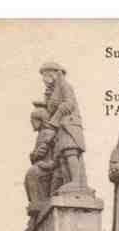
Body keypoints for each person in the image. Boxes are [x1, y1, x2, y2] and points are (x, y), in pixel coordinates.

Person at [38, 62, 87, 192]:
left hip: (69, 124)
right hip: (60, 126)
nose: (44, 79)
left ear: (53, 74)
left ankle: (76, 181)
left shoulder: (65, 86)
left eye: (46, 75)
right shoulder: (52, 92)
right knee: (62, 155)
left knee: (70, 151)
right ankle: (69, 181)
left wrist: (55, 118)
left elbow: (69, 104)